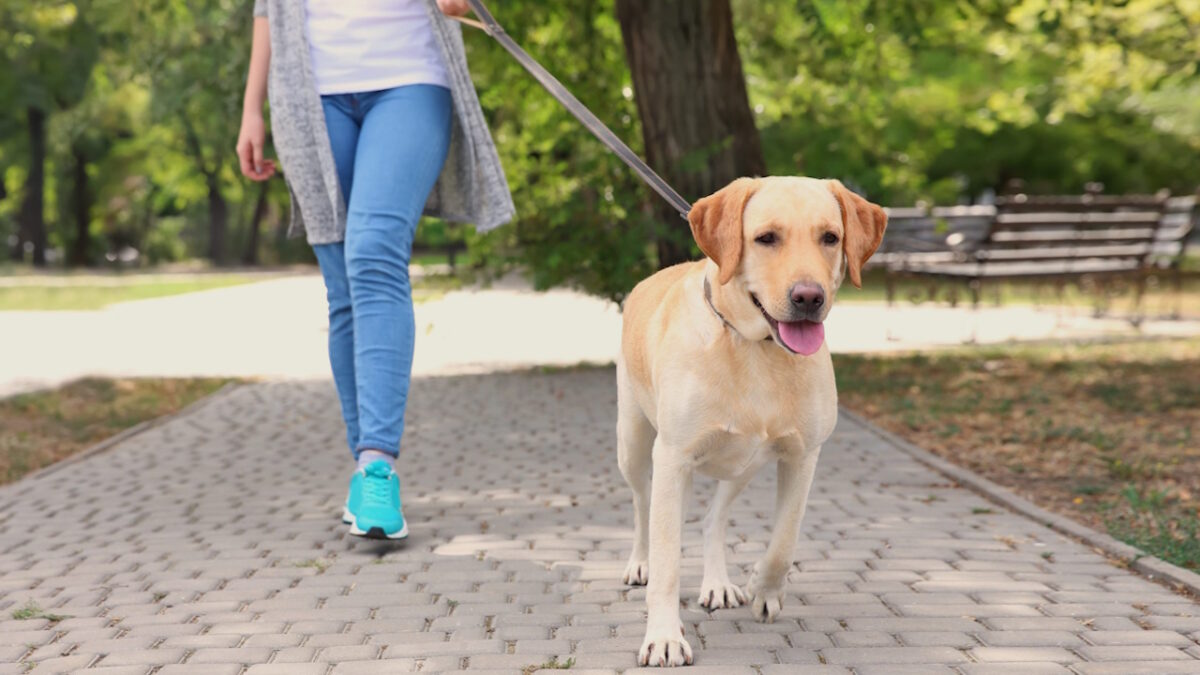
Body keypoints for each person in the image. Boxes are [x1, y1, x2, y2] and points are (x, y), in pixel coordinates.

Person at [236, 0, 515, 540]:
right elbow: (268, 8)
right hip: (307, 95)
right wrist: (252, 107)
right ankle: (365, 472)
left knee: (373, 253)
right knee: (343, 288)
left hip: (410, 78)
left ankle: (378, 464)